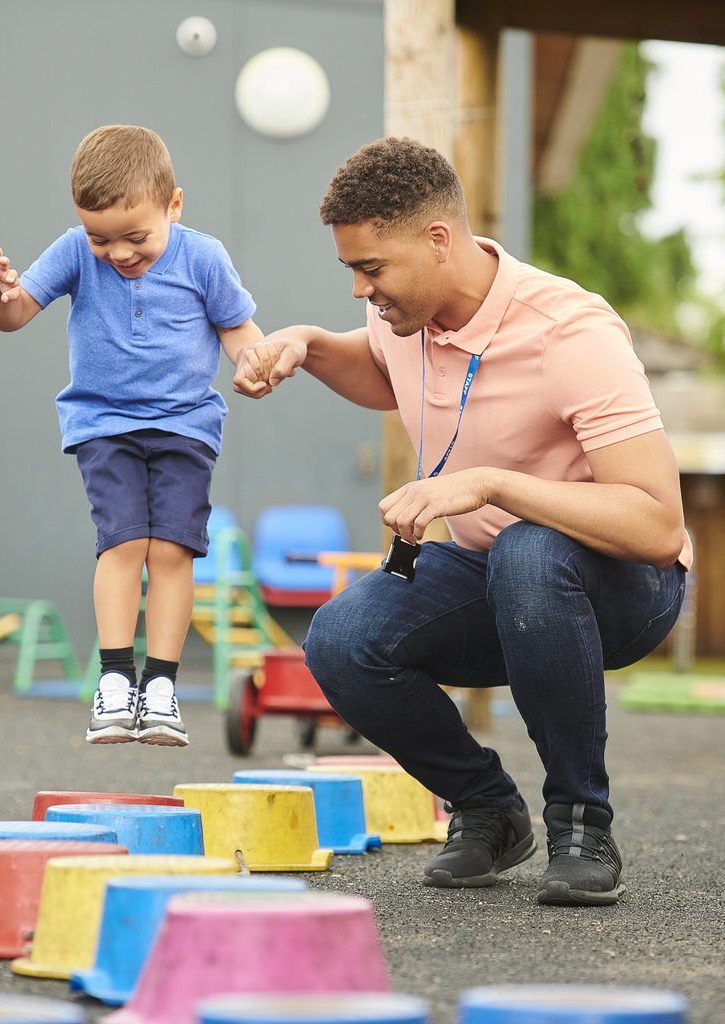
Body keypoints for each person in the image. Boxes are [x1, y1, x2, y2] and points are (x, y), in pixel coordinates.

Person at [232, 136, 690, 906]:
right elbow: (380, 371)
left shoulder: (570, 332)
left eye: (370, 267)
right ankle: (488, 810)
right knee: (342, 639)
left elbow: (656, 528)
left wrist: (488, 485)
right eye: (350, 269)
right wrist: (306, 345)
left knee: (528, 551)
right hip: (499, 574)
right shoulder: (403, 317)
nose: (359, 289)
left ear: (437, 240)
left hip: (623, 584)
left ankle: (581, 823)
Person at [0, 124, 261, 748]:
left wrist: (254, 362)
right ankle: (115, 680)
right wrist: (1, 293)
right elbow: (14, 316)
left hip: (187, 424)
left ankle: (160, 686)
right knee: (123, 542)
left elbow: (238, 329)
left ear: (174, 205)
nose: (119, 253)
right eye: (100, 237)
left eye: (136, 237)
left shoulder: (204, 257)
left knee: (172, 551)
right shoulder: (74, 252)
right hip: (103, 422)